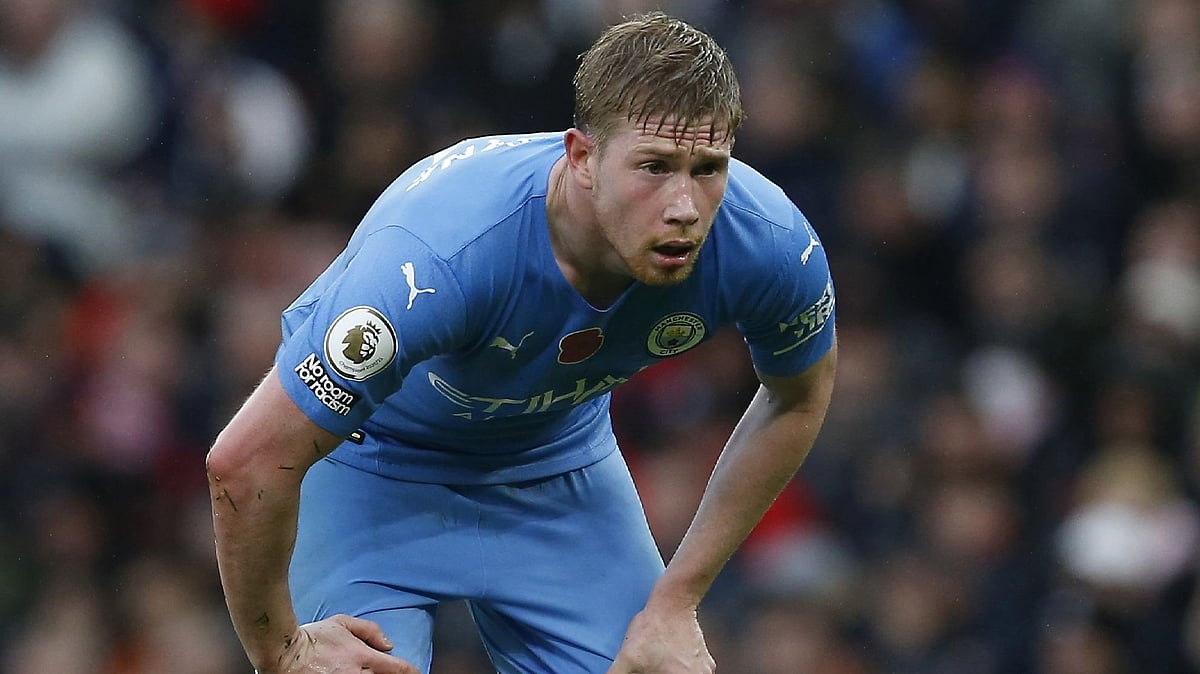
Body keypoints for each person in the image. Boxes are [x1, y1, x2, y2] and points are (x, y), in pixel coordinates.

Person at [206, 11, 837, 674]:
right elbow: (244, 460)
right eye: (654, 166)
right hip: (374, 465)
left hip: (553, 461)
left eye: (708, 168)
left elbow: (798, 397)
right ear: (582, 157)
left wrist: (677, 600)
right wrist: (279, 651)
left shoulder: (766, 244)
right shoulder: (439, 258)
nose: (684, 204)